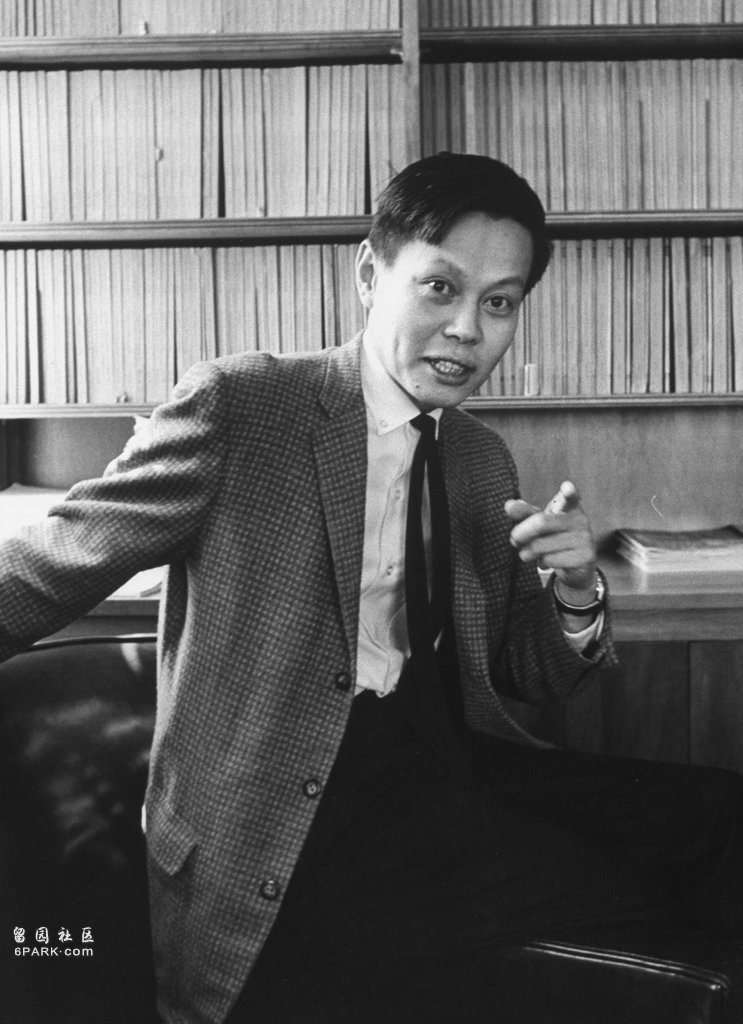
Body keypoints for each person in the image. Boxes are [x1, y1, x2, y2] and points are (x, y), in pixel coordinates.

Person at [1, 152, 742, 1024]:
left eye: (499, 303)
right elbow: (48, 566)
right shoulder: (244, 406)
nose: (466, 329)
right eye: (440, 288)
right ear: (368, 275)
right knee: (640, 885)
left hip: (441, 763)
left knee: (720, 818)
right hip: (287, 806)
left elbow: (533, 675)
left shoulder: (476, 459)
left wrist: (576, 587)